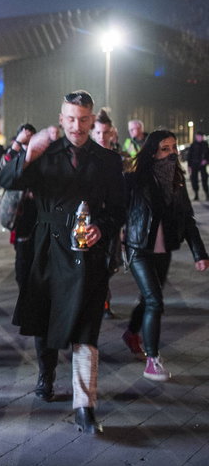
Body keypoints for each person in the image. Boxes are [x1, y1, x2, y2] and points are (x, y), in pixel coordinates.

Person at [0, 90, 126, 434]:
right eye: (70, 118)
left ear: (92, 120)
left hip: (88, 251)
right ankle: (46, 375)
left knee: (87, 326)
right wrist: (28, 152)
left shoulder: (108, 160)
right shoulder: (44, 152)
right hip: (47, 245)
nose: (77, 126)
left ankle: (85, 404)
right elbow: (7, 181)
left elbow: (118, 209)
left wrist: (103, 227)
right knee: (45, 317)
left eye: (84, 119)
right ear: (61, 118)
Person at [120, 130, 209, 381]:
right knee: (155, 301)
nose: (171, 154)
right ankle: (153, 359)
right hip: (139, 248)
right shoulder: (134, 180)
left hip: (163, 249)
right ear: (153, 152)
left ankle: (131, 333)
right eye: (165, 149)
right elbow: (118, 211)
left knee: (148, 298)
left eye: (173, 148)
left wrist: (199, 253)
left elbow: (188, 221)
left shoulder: (177, 182)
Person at [91, 108, 124, 319]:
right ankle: (101, 304)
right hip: (91, 222)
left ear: (112, 133)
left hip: (111, 223)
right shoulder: (87, 158)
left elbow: (122, 198)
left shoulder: (117, 160)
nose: (102, 137)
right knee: (96, 268)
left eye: (105, 133)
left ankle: (103, 302)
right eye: (98, 133)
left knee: (109, 266)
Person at [3, 124, 38, 293]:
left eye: (30, 136)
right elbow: (5, 166)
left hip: (38, 212)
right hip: (20, 212)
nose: (28, 140)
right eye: (25, 137)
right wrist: (18, 142)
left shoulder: (40, 155)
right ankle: (24, 287)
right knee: (23, 253)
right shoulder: (16, 155)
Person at [186, 131, 208, 201]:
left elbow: (208, 154)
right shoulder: (193, 145)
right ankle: (196, 194)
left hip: (202, 165)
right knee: (194, 179)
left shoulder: (205, 144)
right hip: (194, 164)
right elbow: (189, 156)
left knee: (204, 179)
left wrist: (206, 160)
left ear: (202, 137)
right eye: (197, 136)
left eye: (200, 136)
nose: (198, 138)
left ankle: (207, 193)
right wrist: (189, 166)